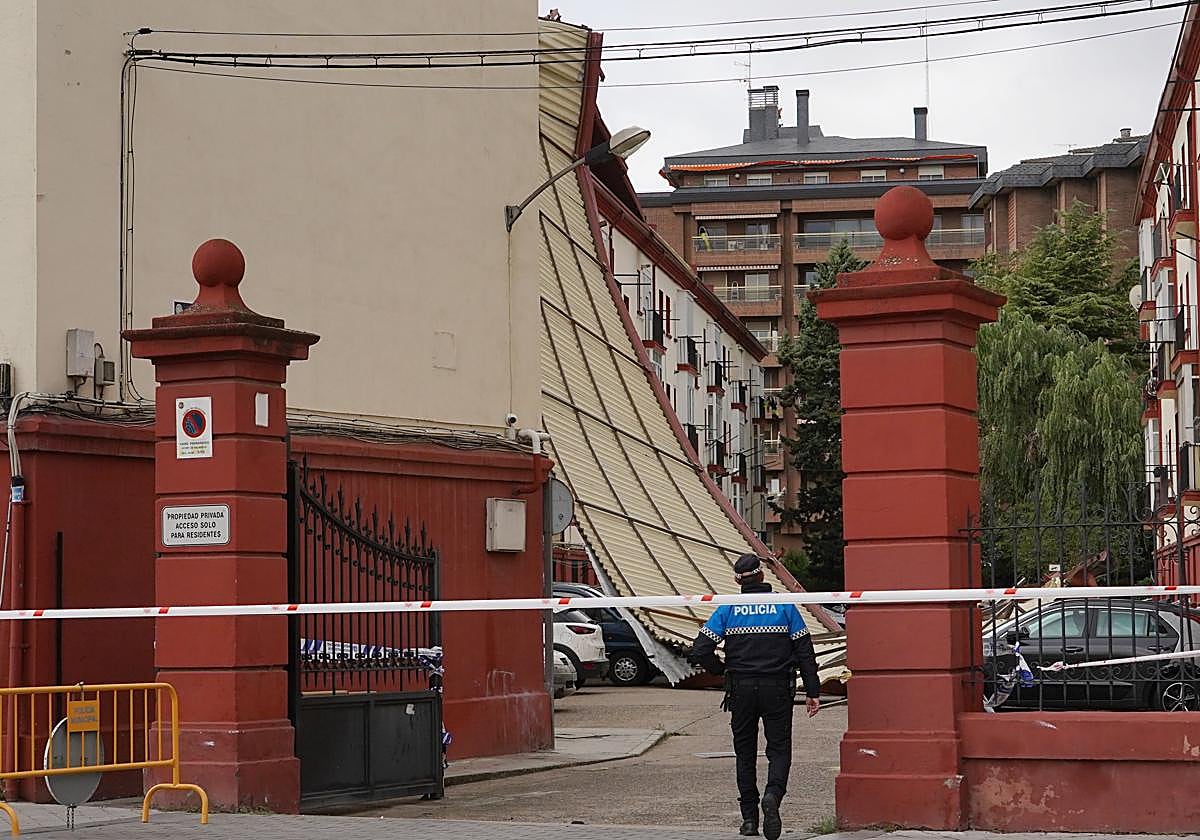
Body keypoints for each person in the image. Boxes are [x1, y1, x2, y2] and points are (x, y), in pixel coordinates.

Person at [689, 553, 821, 840]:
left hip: (741, 689)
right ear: (763, 576)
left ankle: (749, 820)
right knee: (779, 749)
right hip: (777, 689)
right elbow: (804, 651)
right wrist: (813, 690)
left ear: (738, 580)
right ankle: (773, 795)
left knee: (745, 753)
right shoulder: (784, 607)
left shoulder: (728, 609)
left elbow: (699, 650)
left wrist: (723, 669)